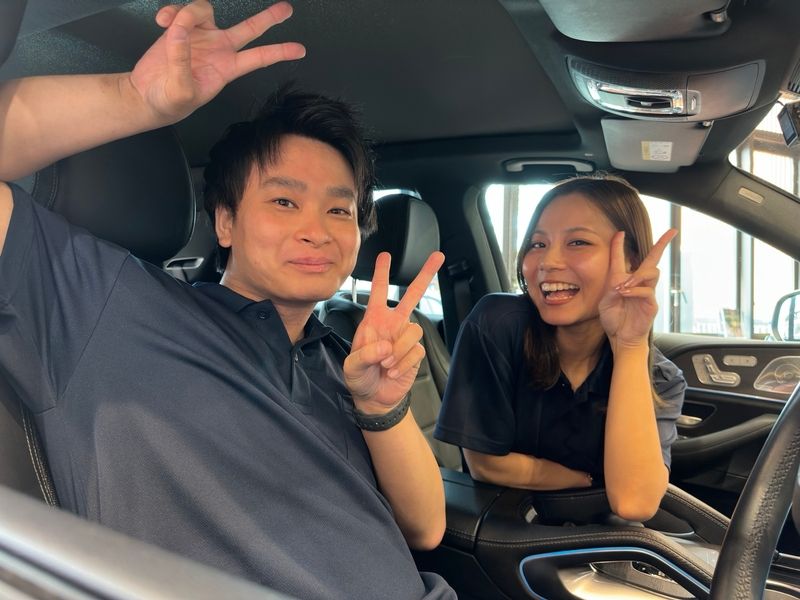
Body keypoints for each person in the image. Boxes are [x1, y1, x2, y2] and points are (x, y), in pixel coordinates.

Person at [0, 2, 456, 599]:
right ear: (224, 222)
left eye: (339, 210)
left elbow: (426, 528)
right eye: (284, 202)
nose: (317, 231)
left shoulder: (345, 360)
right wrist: (134, 98)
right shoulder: (106, 304)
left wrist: (380, 407)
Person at [435, 176, 686, 522]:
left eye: (578, 242)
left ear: (630, 261)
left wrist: (628, 346)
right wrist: (587, 481)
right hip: (507, 533)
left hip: (606, 540)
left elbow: (634, 502)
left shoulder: (660, 378)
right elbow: (486, 464)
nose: (548, 261)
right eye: (537, 244)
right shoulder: (497, 324)